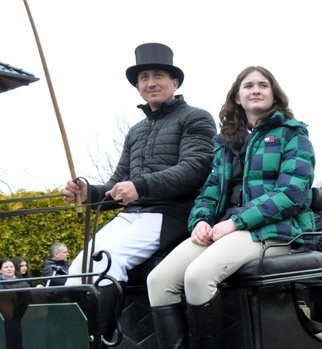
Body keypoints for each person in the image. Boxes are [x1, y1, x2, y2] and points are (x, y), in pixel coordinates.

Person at [145, 65, 316, 349]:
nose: (256, 90)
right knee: (159, 278)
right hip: (224, 230)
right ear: (237, 96)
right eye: (248, 85)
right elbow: (209, 191)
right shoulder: (225, 142)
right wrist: (200, 221)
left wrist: (236, 222)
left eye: (263, 85)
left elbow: (291, 194)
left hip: (274, 231)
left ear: (274, 94)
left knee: (198, 276)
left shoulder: (293, 135)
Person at [61, 43, 215, 294]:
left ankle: (102, 335)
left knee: (107, 262)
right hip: (130, 216)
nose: (151, 82)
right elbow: (117, 184)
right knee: (79, 268)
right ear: (138, 88)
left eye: (158, 76)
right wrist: (88, 193)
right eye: (144, 78)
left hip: (170, 214)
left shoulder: (196, 118)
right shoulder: (135, 132)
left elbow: (195, 168)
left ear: (175, 82)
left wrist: (140, 187)